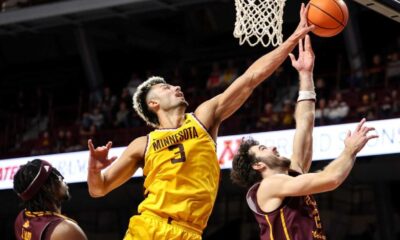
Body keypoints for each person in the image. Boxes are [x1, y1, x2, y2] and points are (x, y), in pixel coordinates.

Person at [87, 4, 314, 240]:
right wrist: (94, 170)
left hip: (190, 232)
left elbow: (250, 79)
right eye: (166, 87)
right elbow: (98, 188)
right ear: (153, 104)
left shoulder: (202, 119)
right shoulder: (142, 144)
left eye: (174, 85)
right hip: (149, 226)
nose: (176, 87)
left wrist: (293, 39)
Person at [230, 36, 378, 239]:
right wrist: (350, 150)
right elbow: (331, 179)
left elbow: (304, 126)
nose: (272, 147)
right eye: (263, 149)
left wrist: (306, 74)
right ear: (258, 166)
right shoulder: (269, 186)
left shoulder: (292, 174)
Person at [13, 159, 87, 240]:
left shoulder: (21, 220)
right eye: (57, 175)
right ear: (47, 188)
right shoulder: (65, 231)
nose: (63, 178)